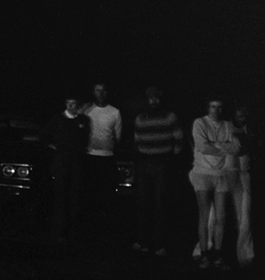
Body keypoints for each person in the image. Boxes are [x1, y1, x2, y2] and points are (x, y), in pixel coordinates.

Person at [131, 86, 184, 256]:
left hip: (163, 163)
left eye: (157, 98)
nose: (154, 101)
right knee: (143, 202)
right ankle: (143, 241)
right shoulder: (140, 118)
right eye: (151, 98)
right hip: (144, 162)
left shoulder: (170, 117)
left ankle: (160, 244)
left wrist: (169, 158)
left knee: (161, 203)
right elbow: (137, 141)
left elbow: (179, 139)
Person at [190, 97, 240, 269]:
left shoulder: (228, 125)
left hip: (221, 174)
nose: (216, 110)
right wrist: (224, 146)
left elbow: (236, 148)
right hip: (202, 173)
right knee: (204, 215)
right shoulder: (200, 123)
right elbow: (203, 147)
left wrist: (215, 145)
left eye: (219, 107)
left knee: (221, 216)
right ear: (208, 108)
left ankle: (217, 255)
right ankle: (204, 254)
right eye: (212, 106)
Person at [44, 94, 92, 243]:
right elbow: (44, 135)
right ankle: (59, 231)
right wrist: (56, 148)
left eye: (74, 104)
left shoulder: (83, 120)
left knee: (75, 195)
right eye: (69, 104)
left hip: (77, 162)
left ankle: (74, 232)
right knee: (60, 195)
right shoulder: (58, 119)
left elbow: (85, 138)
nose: (71, 106)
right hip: (62, 162)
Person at [80, 83, 123, 242]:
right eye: (98, 90)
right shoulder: (87, 110)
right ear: (93, 92)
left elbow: (117, 136)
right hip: (89, 157)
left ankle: (104, 232)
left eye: (103, 90)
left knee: (106, 196)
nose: (101, 93)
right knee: (90, 194)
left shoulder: (115, 112)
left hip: (107, 158)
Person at [230, 105, 257, 267]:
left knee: (245, 215)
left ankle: (246, 255)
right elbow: (237, 149)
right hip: (228, 173)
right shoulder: (227, 128)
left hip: (244, 174)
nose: (242, 118)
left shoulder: (251, 130)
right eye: (239, 115)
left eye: (244, 115)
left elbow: (250, 148)